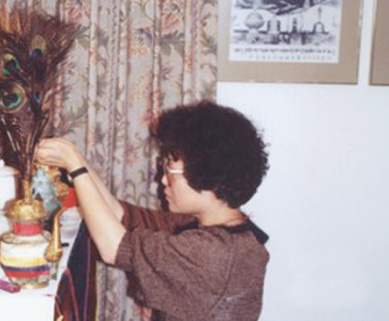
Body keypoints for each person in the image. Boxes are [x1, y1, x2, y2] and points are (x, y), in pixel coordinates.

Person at [37, 101, 270, 321]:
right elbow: (123, 217)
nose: (163, 180)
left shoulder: (213, 253)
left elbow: (114, 248)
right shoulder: (210, 226)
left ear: (208, 178)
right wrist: (78, 162)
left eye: (171, 170)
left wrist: (76, 168)